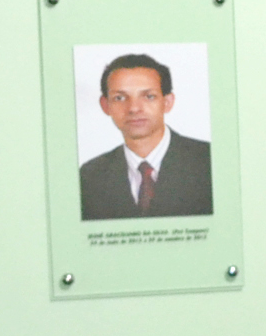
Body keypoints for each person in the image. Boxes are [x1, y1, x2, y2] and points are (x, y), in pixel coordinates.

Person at [77, 54, 213, 220]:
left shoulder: (210, 162)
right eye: (120, 98)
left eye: (149, 96)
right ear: (106, 105)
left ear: (167, 102)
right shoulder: (89, 177)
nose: (134, 108)